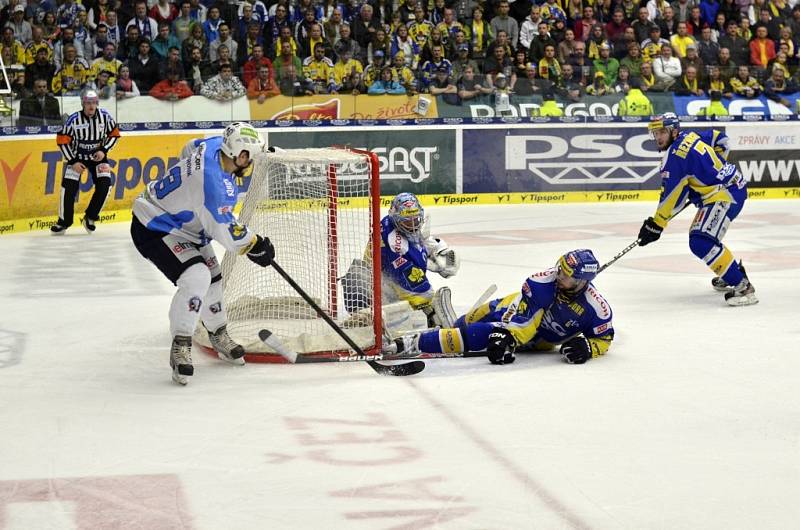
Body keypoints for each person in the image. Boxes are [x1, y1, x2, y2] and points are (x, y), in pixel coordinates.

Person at [130, 122, 275, 385]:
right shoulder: (212, 187)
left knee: (214, 279)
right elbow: (228, 234)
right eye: (251, 157)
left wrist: (185, 195)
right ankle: (181, 344)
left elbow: (190, 147)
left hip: (186, 225)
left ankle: (218, 333)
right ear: (240, 156)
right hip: (154, 226)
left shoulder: (213, 146)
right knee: (197, 277)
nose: (251, 162)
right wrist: (257, 245)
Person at [389, 249, 613, 366]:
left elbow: (604, 339)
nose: (558, 275)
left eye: (566, 274)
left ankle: (412, 343)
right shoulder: (542, 283)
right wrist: (508, 335)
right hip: (512, 310)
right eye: (560, 268)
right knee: (466, 323)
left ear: (581, 281)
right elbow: (524, 323)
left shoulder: (597, 308)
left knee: (482, 334)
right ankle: (449, 328)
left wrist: (588, 348)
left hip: (539, 341)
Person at [637, 113, 756, 306]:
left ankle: (743, 286)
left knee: (701, 241)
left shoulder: (674, 158)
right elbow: (722, 140)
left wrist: (656, 224)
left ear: (673, 131)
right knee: (705, 236)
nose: (657, 137)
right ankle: (730, 272)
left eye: (661, 132)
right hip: (732, 186)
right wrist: (713, 170)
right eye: (655, 133)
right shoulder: (691, 135)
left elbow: (670, 197)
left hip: (726, 195)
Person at [341, 192, 460, 329]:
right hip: (381, 291)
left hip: (381, 274)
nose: (413, 225)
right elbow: (418, 292)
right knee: (429, 310)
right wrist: (431, 310)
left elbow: (416, 239)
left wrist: (438, 249)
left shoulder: (391, 222)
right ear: (396, 218)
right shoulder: (395, 246)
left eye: (415, 220)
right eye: (408, 221)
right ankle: (366, 319)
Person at [52, 89, 120, 234]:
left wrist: (104, 150)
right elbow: (62, 141)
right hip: (77, 158)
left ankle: (90, 217)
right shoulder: (73, 120)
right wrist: (73, 161)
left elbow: (114, 134)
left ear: (97, 103)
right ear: (83, 103)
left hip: (98, 157)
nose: (91, 106)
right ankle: (63, 222)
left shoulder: (105, 117)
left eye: (94, 103)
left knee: (105, 185)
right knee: (68, 188)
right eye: (88, 103)